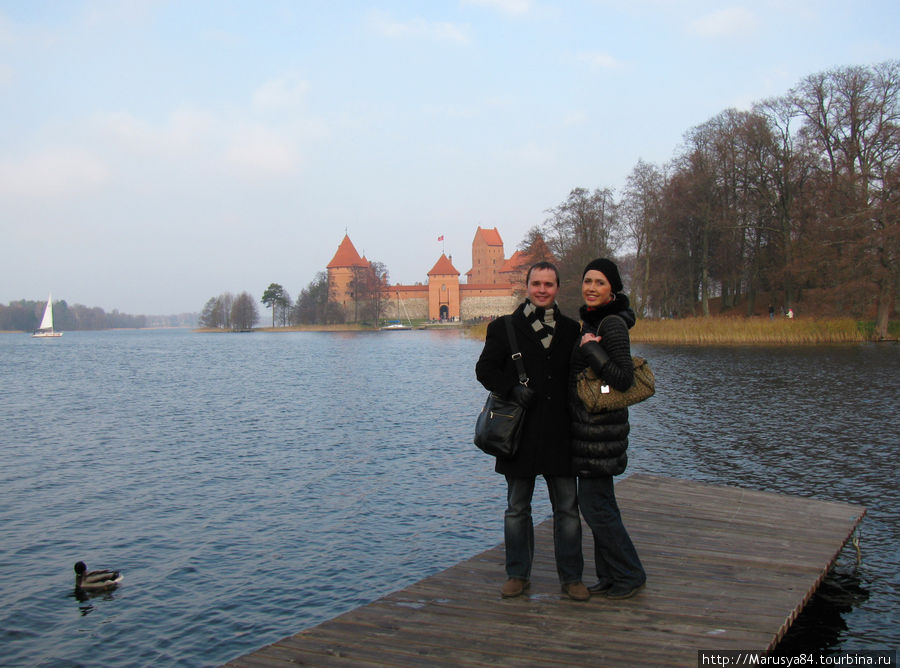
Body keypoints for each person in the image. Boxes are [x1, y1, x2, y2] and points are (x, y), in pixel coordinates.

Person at [475, 262, 589, 601]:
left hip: (560, 432)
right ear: (526, 286)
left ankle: (571, 578)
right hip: (520, 433)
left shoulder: (571, 329)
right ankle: (517, 574)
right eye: (536, 283)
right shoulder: (505, 328)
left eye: (549, 284)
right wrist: (511, 389)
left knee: (567, 509)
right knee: (517, 508)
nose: (542, 289)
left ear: (557, 288)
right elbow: (484, 369)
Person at [568, 258, 646, 599]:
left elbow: (624, 379)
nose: (591, 287)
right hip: (591, 431)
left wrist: (591, 349)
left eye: (599, 282)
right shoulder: (592, 320)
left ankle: (629, 573)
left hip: (600, 432)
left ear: (612, 289)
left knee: (594, 507)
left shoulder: (611, 324)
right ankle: (610, 576)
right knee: (603, 505)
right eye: (588, 281)